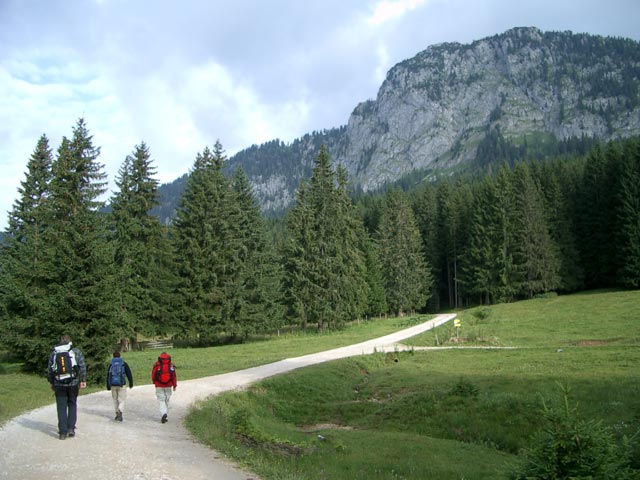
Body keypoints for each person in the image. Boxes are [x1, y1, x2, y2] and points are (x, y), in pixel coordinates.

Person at [47, 334, 87, 440]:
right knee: (72, 404)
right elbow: (82, 366)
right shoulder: (75, 351)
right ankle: (71, 429)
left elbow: (50, 370)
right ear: (70, 341)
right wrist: (83, 380)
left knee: (61, 407)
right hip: (73, 383)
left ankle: (62, 432)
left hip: (59, 384)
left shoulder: (54, 353)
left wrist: (51, 382)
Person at [106, 351, 134, 422]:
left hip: (113, 385)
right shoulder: (124, 364)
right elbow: (129, 374)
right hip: (122, 384)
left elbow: (108, 376)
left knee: (115, 400)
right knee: (122, 399)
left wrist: (108, 385)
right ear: (120, 356)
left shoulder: (111, 365)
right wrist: (131, 382)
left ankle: (117, 413)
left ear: (113, 356)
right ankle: (120, 411)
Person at [151, 352, 177, 424]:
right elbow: (174, 376)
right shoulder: (171, 365)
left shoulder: (157, 365)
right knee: (167, 400)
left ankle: (163, 414)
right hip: (168, 385)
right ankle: (166, 415)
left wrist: (154, 382)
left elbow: (153, 375)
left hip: (159, 385)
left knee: (161, 400)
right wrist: (174, 385)